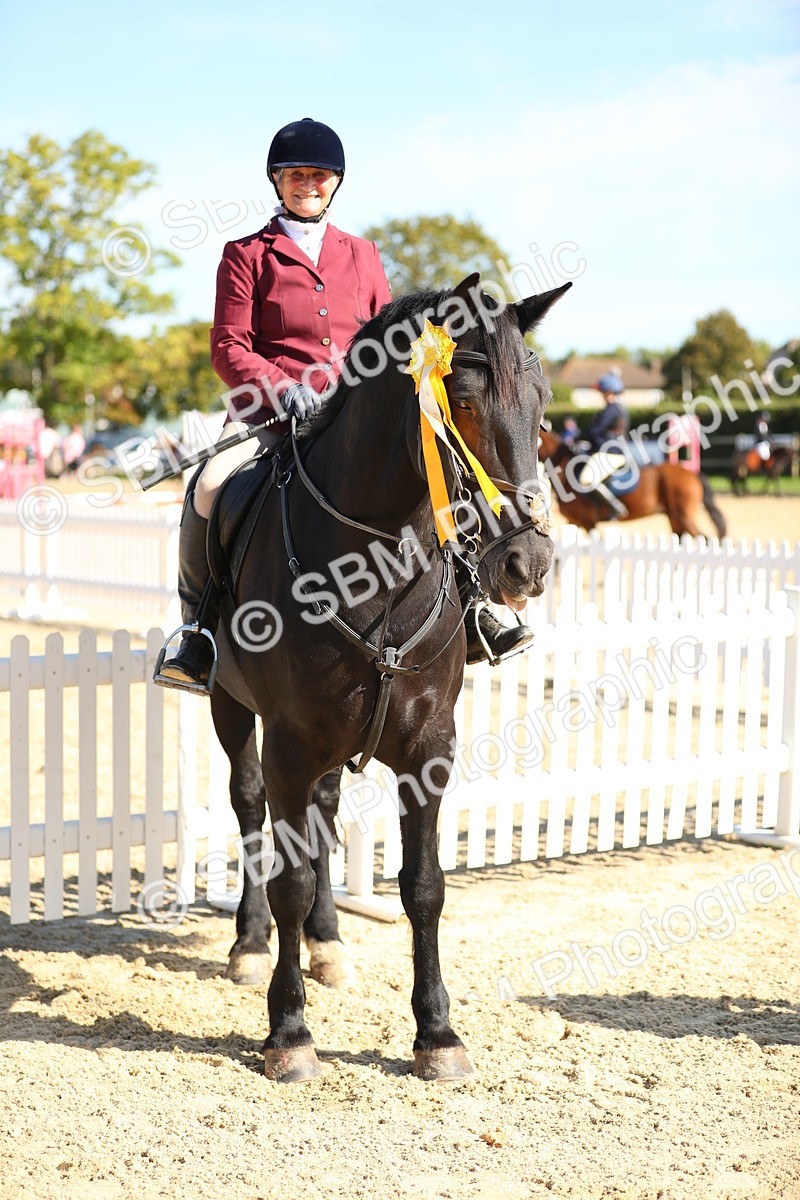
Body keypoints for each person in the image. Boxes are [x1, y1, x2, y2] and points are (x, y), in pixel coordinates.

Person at [156, 118, 531, 693]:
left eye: (319, 175)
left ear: (335, 183)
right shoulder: (247, 255)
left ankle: (475, 607)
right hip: (273, 414)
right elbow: (228, 346)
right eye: (296, 174)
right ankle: (198, 631)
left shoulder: (362, 254)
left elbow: (390, 336)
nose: (308, 183)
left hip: (353, 417)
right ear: (277, 182)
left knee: (440, 474)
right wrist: (283, 389)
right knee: (209, 484)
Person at [577, 368, 630, 518]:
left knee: (586, 480)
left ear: (609, 391)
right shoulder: (618, 408)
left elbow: (596, 431)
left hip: (609, 453)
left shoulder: (612, 409)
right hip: (611, 450)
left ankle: (615, 507)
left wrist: (579, 438)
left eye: (603, 392)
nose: (601, 395)